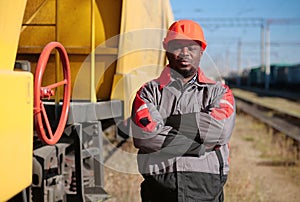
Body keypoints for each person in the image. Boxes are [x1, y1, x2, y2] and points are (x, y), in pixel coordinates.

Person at [131, 19, 236, 202]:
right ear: (167, 50)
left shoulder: (219, 92)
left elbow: (219, 130)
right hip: (160, 190)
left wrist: (173, 121)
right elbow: (145, 136)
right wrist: (200, 145)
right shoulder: (148, 92)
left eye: (191, 48)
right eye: (177, 47)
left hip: (207, 190)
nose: (184, 53)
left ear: (201, 52)